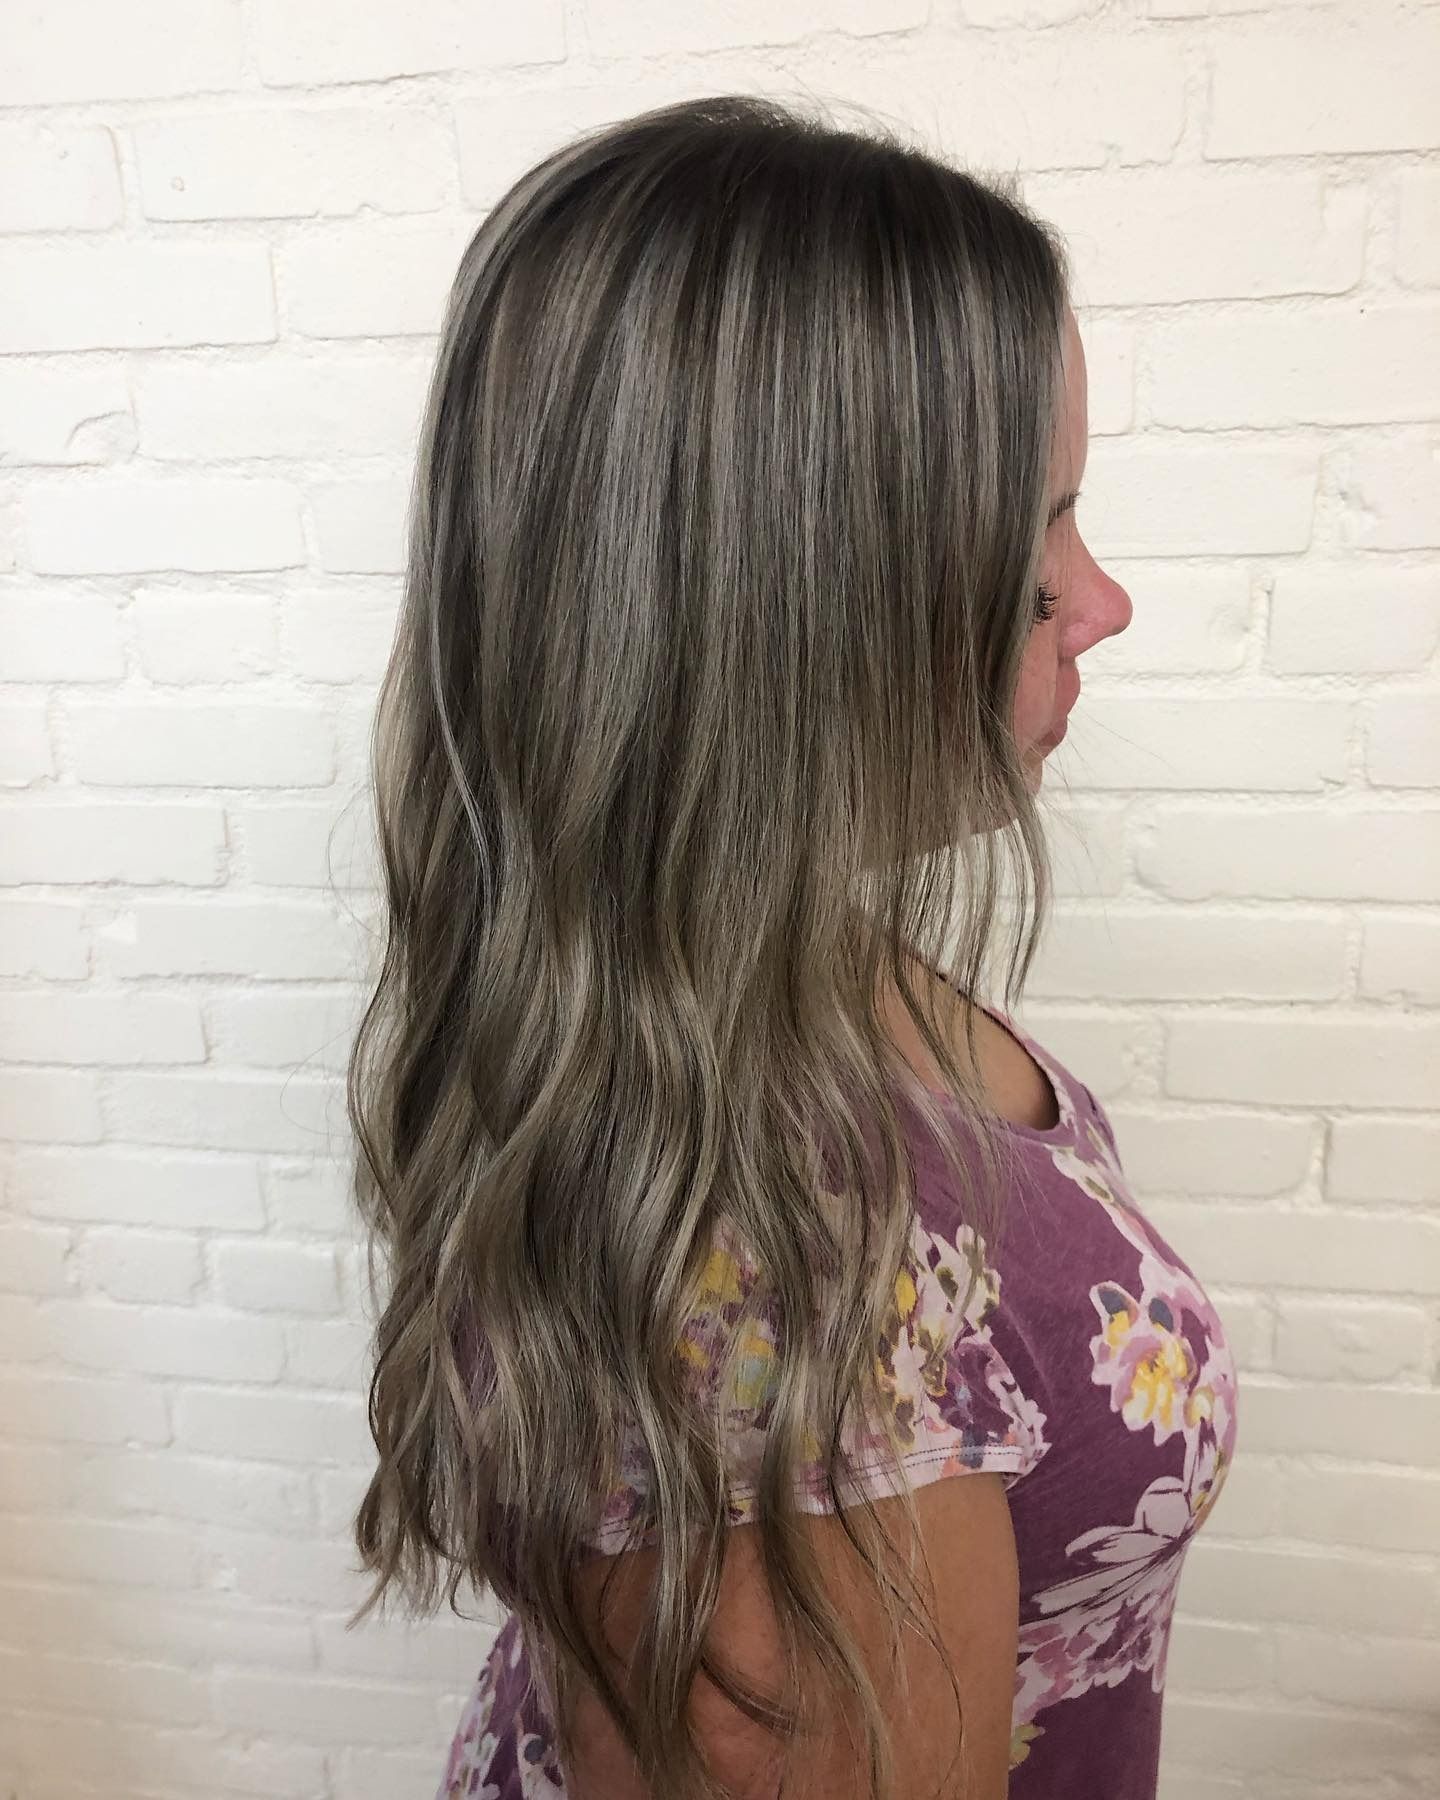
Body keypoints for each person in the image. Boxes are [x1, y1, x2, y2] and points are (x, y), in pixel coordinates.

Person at [343, 94, 1239, 1800]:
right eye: (1037, 538)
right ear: (800, 602)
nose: (1100, 601)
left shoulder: (777, 965)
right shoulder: (770, 1273)